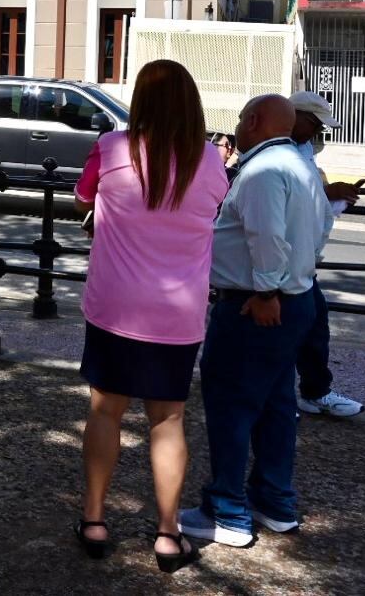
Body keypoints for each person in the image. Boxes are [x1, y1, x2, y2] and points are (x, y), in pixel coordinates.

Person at [71, 60, 229, 571]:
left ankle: (95, 519)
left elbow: (82, 199)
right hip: (178, 312)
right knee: (168, 419)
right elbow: (214, 210)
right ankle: (167, 532)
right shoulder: (211, 161)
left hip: (116, 304)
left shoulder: (111, 149)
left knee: (104, 410)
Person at [179, 94, 331, 549]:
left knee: (231, 405)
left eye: (242, 121)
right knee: (276, 406)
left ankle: (226, 510)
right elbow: (320, 231)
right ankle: (274, 500)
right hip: (293, 298)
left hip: (257, 302)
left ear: (254, 121)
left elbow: (265, 236)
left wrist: (267, 291)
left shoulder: (264, 170)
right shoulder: (301, 166)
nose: (237, 131)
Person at [285, 91, 365, 418]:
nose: (318, 131)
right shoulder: (279, 147)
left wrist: (333, 197)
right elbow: (289, 191)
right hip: (284, 257)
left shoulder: (304, 146)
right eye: (315, 123)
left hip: (302, 256)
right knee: (293, 330)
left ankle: (312, 391)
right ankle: (298, 394)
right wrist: (326, 192)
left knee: (313, 326)